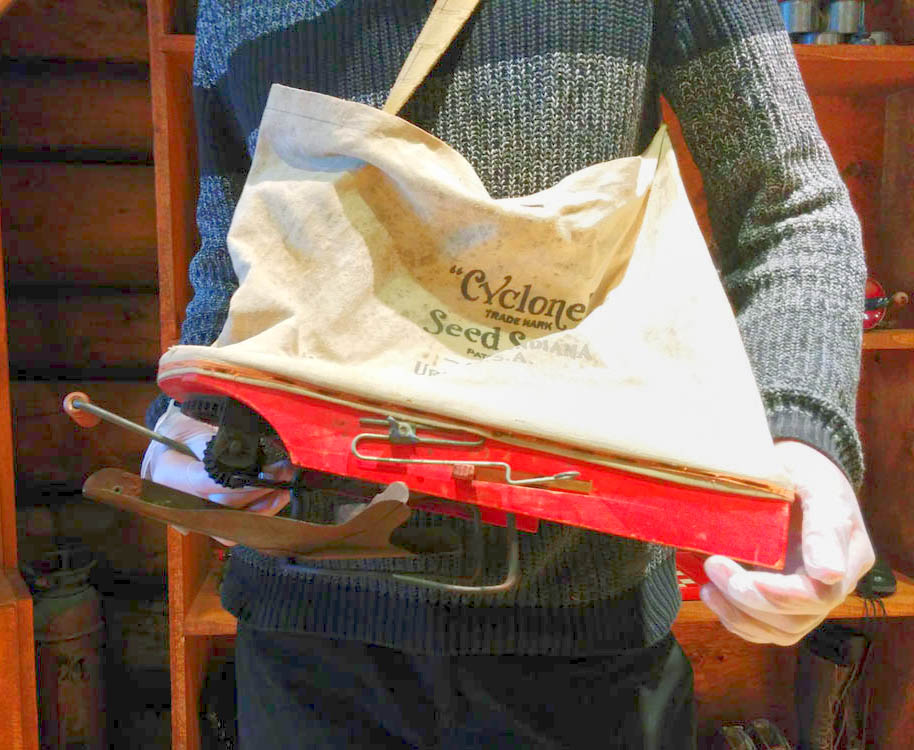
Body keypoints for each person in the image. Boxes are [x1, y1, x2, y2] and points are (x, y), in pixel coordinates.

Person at [143, 1, 875, 747]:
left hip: (580, 637)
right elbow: (233, 237)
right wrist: (203, 412)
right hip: (299, 633)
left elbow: (790, 210)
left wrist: (801, 439)